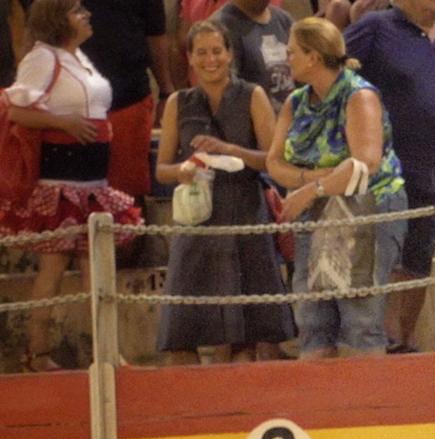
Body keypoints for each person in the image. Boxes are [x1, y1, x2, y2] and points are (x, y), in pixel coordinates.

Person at [0, 0, 142, 373]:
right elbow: (13, 109)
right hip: (62, 183)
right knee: (53, 270)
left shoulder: (79, 56)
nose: (87, 15)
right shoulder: (42, 58)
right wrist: (63, 123)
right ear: (58, 19)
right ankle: (37, 353)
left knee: (97, 273)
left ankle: (109, 353)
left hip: (93, 182)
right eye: (78, 11)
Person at [266, 16, 407, 358]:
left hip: (367, 209)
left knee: (360, 316)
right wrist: (311, 182)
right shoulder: (295, 102)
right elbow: (274, 163)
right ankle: (319, 403)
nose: (288, 59)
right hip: (312, 213)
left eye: (293, 52)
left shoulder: (359, 96)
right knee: (312, 316)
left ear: (313, 57)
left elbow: (365, 162)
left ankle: (368, 405)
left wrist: (308, 189)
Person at [155, 19, 293, 365]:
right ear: (189, 58)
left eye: (217, 51)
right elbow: (161, 169)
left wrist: (230, 150)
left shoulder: (252, 95)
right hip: (197, 221)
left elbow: (273, 160)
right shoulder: (178, 102)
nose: (210, 59)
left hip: (244, 212)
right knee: (183, 329)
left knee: (246, 331)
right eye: (201, 52)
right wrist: (183, 170)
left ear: (230, 54)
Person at [345, 0, 435, 353]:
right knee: (387, 256)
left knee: (418, 257)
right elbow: (335, 75)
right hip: (384, 174)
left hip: (432, 175)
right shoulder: (374, 27)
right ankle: (382, 343)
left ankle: (405, 341)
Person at [79, 0, 175, 199]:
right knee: (75, 197)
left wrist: (166, 92)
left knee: (128, 195)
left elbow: (156, 34)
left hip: (128, 100)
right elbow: (36, 27)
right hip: (71, 108)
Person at [214, 0, 295, 110]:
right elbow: (227, 91)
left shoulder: (284, 20)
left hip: (295, 118)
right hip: (252, 120)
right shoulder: (221, 27)